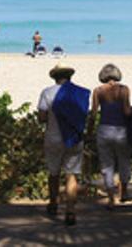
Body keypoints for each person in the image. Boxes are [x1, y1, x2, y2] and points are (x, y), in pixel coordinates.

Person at [38, 64, 89, 226]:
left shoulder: (47, 93)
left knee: (53, 173)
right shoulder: (80, 93)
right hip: (74, 138)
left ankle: (53, 204)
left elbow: (41, 117)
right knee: (71, 175)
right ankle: (70, 211)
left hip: (53, 138)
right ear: (70, 76)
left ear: (54, 77)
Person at [91, 63, 132, 207]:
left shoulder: (98, 91)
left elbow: (93, 113)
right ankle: (124, 192)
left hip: (104, 129)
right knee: (124, 161)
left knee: (107, 164)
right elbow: (127, 111)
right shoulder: (124, 90)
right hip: (121, 130)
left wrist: (90, 131)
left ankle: (110, 198)